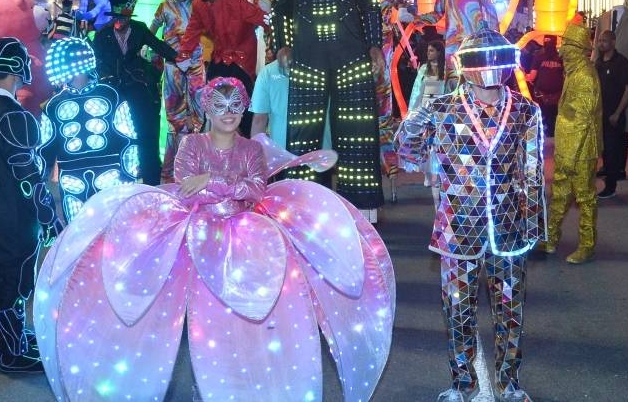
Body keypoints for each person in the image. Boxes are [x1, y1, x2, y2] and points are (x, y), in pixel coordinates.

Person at [33, 77, 395, 401]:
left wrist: (211, 182)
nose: (229, 113)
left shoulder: (252, 149)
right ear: (207, 108)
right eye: (220, 106)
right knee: (195, 317)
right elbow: (186, 190)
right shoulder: (191, 144)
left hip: (246, 236)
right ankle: (205, 386)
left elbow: (254, 190)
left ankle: (241, 384)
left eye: (235, 105)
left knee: (246, 315)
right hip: (194, 236)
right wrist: (220, 188)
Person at [396, 29, 544, 402]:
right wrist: (418, 118)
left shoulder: (527, 111)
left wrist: (533, 226)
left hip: (509, 230)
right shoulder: (442, 108)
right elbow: (406, 149)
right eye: (482, 62)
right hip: (458, 228)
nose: (490, 71)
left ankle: (509, 383)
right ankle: (463, 384)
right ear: (466, 67)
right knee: (458, 313)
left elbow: (532, 170)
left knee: (510, 311)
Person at [248, 0, 388, 219]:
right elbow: (279, 9)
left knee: (357, 132)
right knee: (303, 133)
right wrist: (282, 44)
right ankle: (302, 207)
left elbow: (370, 5)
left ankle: (363, 210)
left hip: (351, 57)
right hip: (307, 59)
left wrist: (374, 47)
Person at [0, 37, 61, 373]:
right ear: (15, 68)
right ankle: (10, 351)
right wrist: (47, 214)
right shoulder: (13, 116)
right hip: (13, 215)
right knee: (14, 283)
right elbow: (29, 177)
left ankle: (8, 339)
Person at [39, 37, 139, 223]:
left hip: (110, 174)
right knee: (78, 232)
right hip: (71, 178)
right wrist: (38, 182)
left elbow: (128, 138)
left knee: (112, 228)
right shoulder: (53, 106)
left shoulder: (111, 96)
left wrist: (129, 175)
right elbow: (44, 148)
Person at [91, 0, 182, 185]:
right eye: (116, 17)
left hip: (140, 91)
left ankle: (152, 182)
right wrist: (105, 78)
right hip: (114, 92)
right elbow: (96, 60)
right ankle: (121, 181)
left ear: (129, 16)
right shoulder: (102, 35)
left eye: (123, 17)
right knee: (117, 138)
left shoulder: (139, 29)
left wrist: (180, 58)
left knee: (146, 135)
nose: (119, 21)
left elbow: (159, 46)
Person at [176, 0, 267, 138]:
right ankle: (218, 148)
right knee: (213, 101)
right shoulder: (199, 4)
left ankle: (249, 147)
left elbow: (263, 19)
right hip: (219, 58)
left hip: (242, 61)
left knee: (244, 106)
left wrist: (282, 33)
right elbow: (193, 29)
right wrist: (184, 54)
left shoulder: (237, 2)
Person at [544, 22, 602, 264]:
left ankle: (587, 245)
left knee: (584, 197)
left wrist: (569, 156)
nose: (560, 51)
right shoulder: (574, 73)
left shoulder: (585, 78)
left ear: (577, 49)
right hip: (567, 147)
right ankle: (550, 238)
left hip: (580, 150)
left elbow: (581, 120)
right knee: (559, 194)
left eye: (565, 46)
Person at [151, 0, 205, 182]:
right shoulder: (164, 7)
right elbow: (151, 32)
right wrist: (155, 55)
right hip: (173, 66)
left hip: (196, 65)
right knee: (175, 116)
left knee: (199, 112)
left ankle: (197, 169)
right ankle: (171, 174)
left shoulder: (199, 5)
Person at [419, 0, 498, 80]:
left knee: (476, 78)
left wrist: (492, 33)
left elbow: (490, 9)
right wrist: (417, 19)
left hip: (475, 40)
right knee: (454, 82)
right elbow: (437, 14)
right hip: (453, 42)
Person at [595, 30, 628, 199]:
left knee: (612, 151)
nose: (601, 43)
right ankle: (607, 177)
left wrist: (618, 112)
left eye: (604, 40)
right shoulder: (598, 62)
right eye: (600, 40)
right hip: (600, 114)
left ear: (613, 42)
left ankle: (611, 186)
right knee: (604, 150)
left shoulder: (621, 62)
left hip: (613, 114)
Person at [525, 35, 564, 138]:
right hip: (549, 96)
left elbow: (532, 77)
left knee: (545, 122)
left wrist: (524, 76)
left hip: (549, 97)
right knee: (552, 122)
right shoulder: (560, 57)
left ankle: (547, 143)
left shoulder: (540, 56)